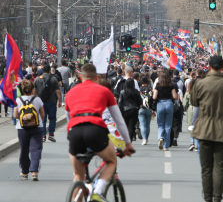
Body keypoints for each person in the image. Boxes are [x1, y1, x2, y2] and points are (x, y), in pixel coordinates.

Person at [65, 64, 134, 202]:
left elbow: (69, 119)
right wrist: (127, 143)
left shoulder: (69, 93)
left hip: (75, 132)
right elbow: (119, 120)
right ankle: (98, 191)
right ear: (97, 78)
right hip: (95, 130)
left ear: (80, 77)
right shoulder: (104, 91)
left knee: (78, 176)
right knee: (111, 160)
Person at [191, 56, 223, 202]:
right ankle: (217, 198)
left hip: (204, 129)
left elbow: (194, 102)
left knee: (206, 168)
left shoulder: (200, 84)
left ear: (209, 66)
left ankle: (207, 198)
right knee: (220, 168)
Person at [13, 79, 45, 181]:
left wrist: (23, 120)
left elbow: (15, 115)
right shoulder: (38, 100)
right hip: (37, 127)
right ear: (32, 89)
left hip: (22, 129)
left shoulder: (18, 100)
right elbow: (43, 115)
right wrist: (38, 121)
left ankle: (24, 172)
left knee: (24, 150)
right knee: (36, 149)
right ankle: (34, 172)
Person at [34, 64, 61, 142]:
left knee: (43, 119)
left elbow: (34, 92)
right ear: (50, 71)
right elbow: (58, 91)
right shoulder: (53, 79)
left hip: (40, 103)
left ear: (42, 71)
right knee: (52, 118)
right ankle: (51, 134)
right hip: (52, 102)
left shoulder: (37, 79)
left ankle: (43, 136)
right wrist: (60, 101)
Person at [153, 71, 178, 151]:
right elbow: (175, 97)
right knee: (168, 125)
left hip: (160, 104)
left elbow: (154, 97)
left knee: (160, 124)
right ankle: (166, 146)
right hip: (169, 104)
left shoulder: (158, 85)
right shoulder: (171, 85)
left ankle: (160, 137)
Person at [138, 76, 153, 145]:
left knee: (142, 125)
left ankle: (144, 139)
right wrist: (153, 109)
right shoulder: (150, 89)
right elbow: (152, 99)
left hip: (141, 108)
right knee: (147, 125)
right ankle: (146, 138)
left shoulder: (139, 89)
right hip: (149, 108)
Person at [183, 78, 196, 151]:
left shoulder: (188, 93)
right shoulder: (200, 92)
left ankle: (192, 142)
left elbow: (184, 103)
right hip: (199, 108)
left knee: (191, 126)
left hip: (191, 109)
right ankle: (197, 144)